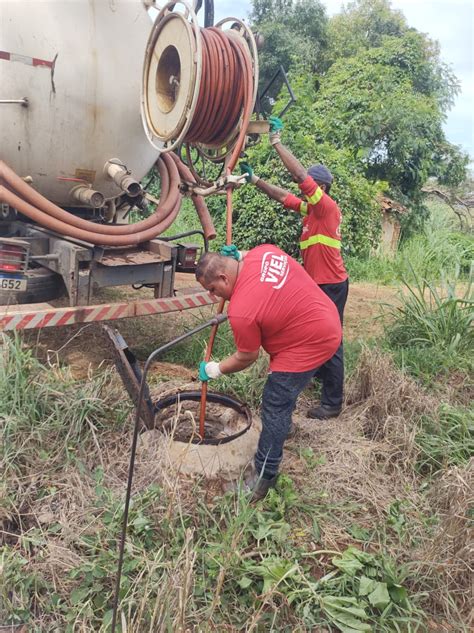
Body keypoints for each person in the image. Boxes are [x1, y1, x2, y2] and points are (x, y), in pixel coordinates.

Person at [196, 244, 342, 499]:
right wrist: (240, 255)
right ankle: (282, 428)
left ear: (223, 277)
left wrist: (215, 369)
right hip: (325, 316)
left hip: (309, 341)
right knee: (284, 395)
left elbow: (247, 356)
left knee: (275, 400)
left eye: (212, 289)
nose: (213, 296)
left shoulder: (241, 309)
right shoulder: (264, 252)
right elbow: (250, 256)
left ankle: (264, 476)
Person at [239, 116, 348, 420]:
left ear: (321, 187)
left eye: (309, 187)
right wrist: (255, 180)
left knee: (332, 338)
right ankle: (317, 377)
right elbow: (282, 196)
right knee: (314, 331)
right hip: (318, 283)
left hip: (331, 284)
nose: (302, 192)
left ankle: (332, 402)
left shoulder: (324, 206)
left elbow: (299, 175)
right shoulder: (310, 210)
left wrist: (276, 143)